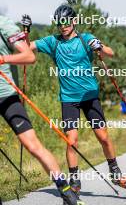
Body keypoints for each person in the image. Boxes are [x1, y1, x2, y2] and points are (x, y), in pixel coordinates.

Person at [30, 4, 126, 196]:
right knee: (72, 141)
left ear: (74, 21)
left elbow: (109, 53)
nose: (62, 26)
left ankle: (115, 172)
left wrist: (100, 47)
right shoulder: (53, 42)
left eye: (65, 22)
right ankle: (74, 182)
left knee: (103, 137)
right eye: (58, 23)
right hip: (69, 99)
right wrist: (23, 33)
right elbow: (28, 46)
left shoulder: (85, 38)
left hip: (90, 97)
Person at [0, 14, 85, 205]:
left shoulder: (3, 24)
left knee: (32, 146)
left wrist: (3, 59)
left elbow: (29, 56)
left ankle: (66, 191)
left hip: (6, 93)